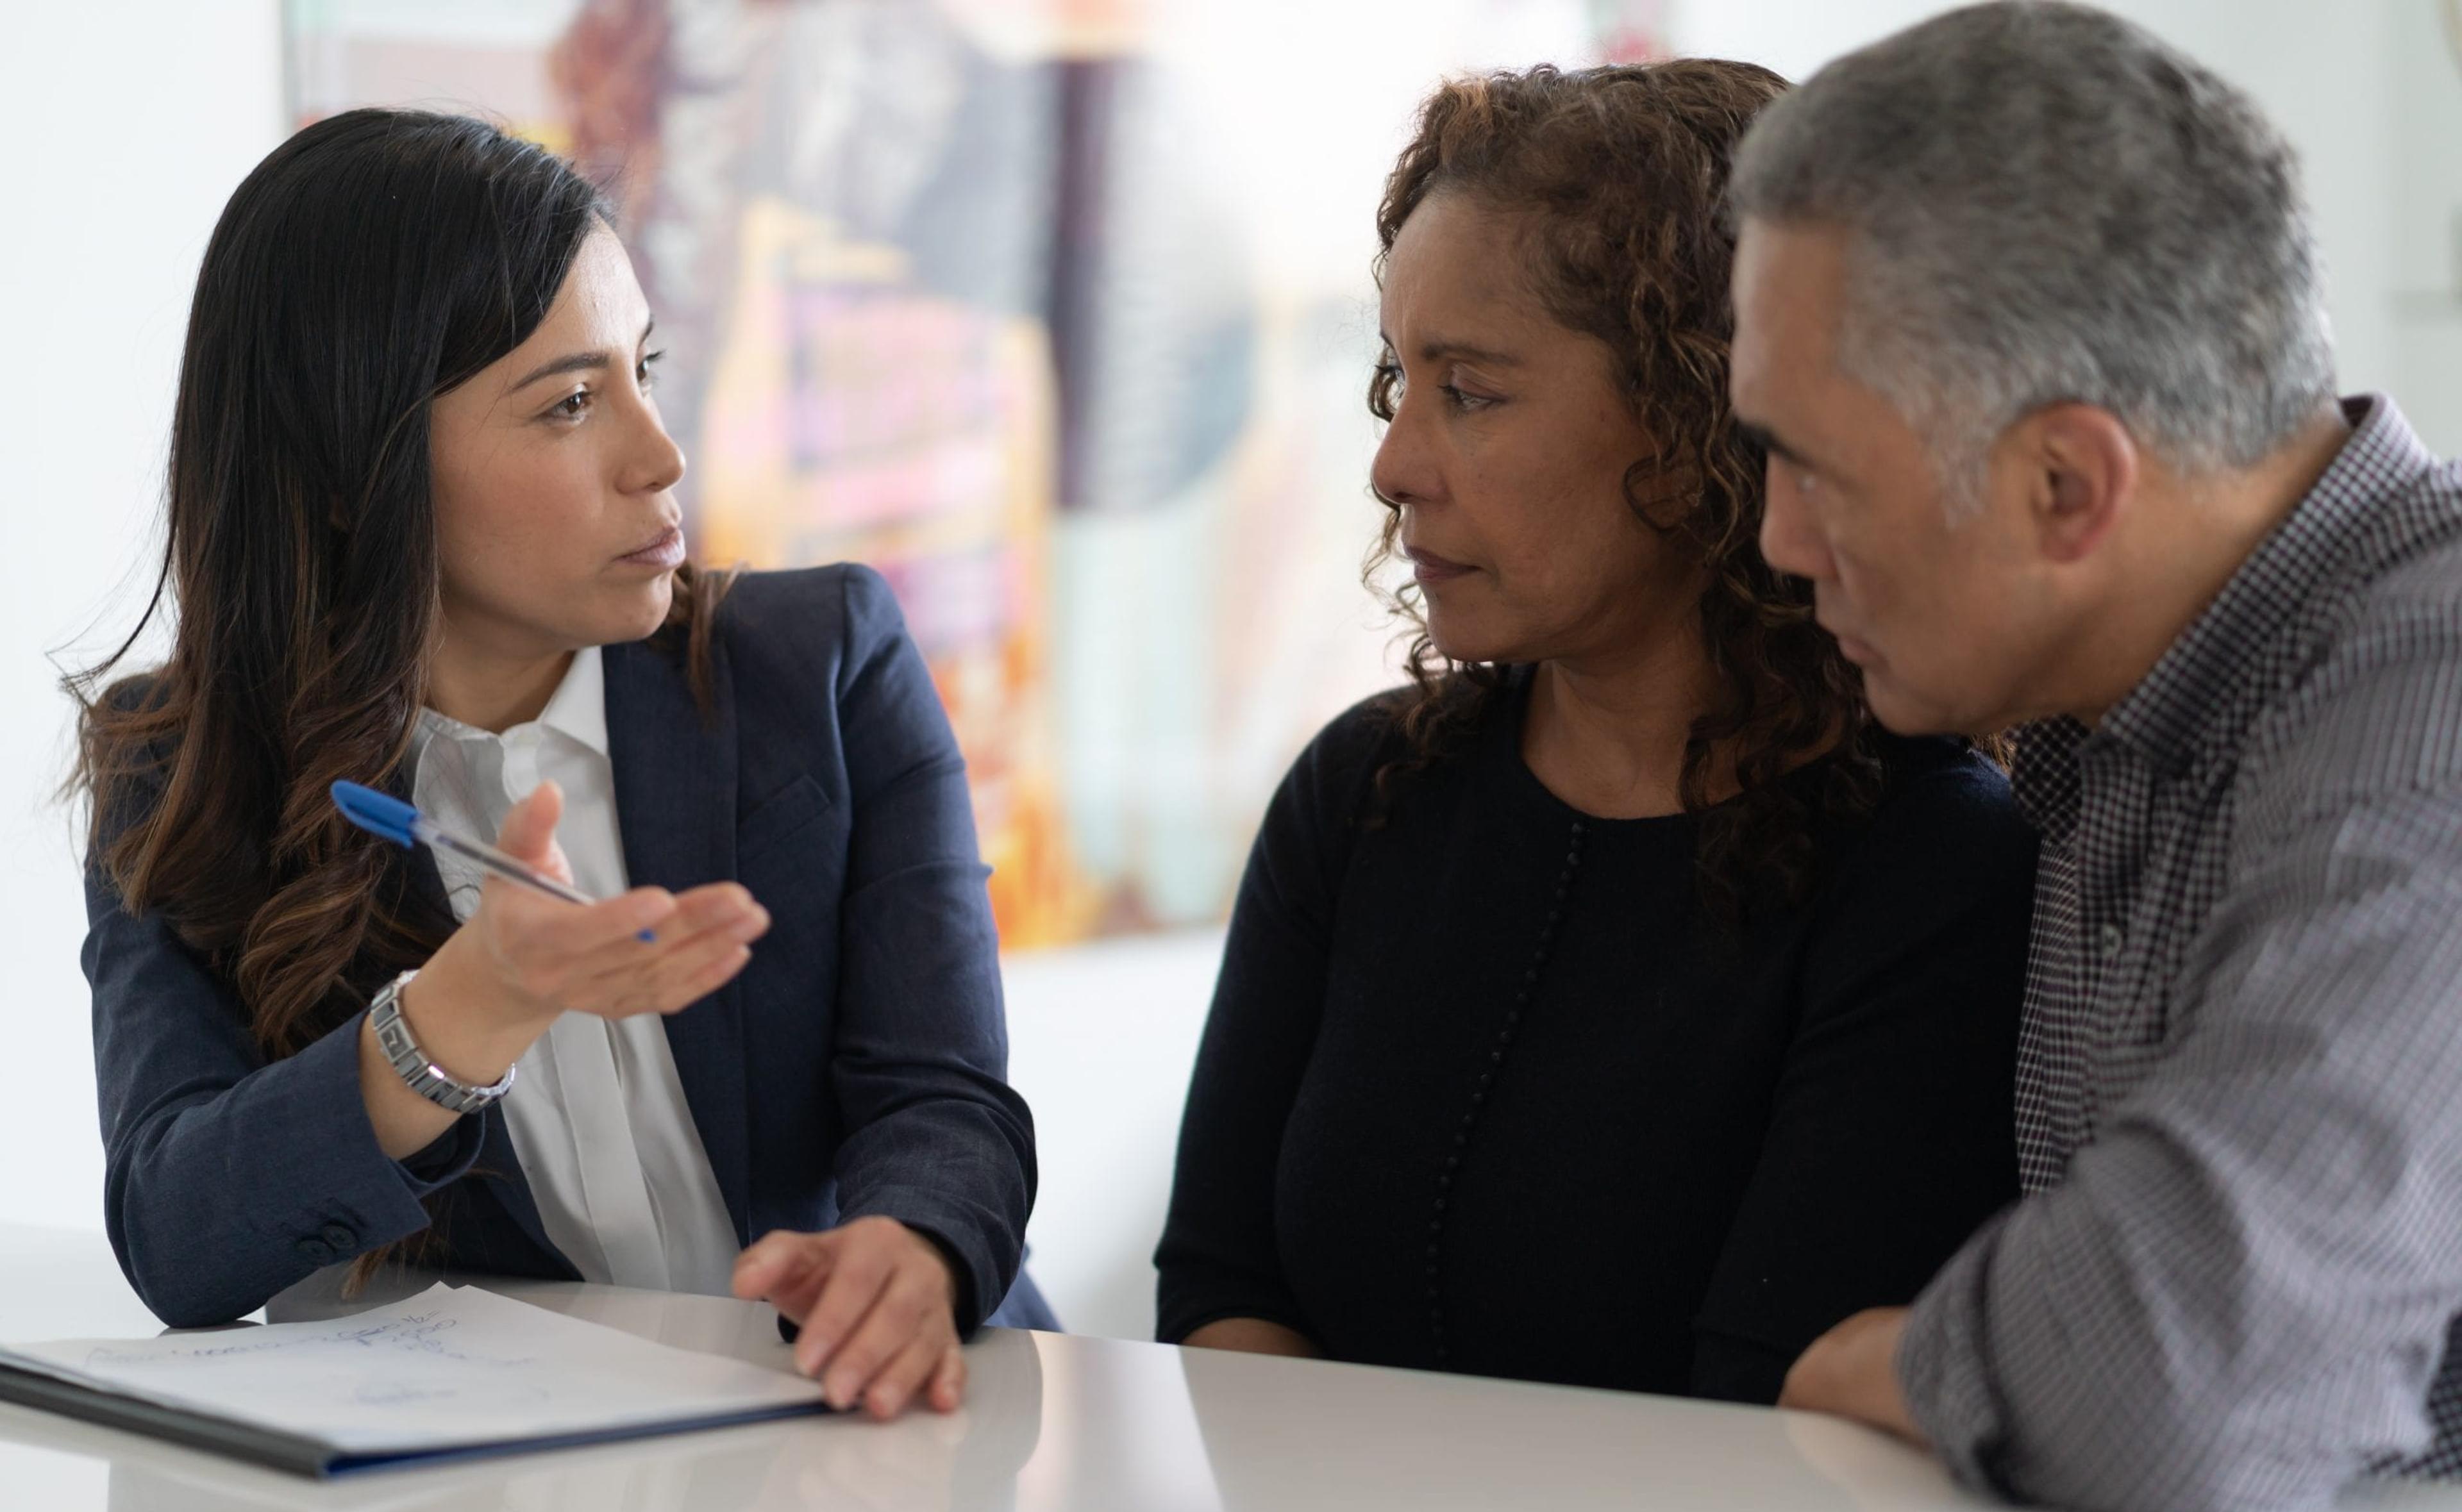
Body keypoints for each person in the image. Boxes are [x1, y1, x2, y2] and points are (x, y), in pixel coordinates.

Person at [73, 109, 1048, 1421]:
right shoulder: (184, 767)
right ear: (353, 473)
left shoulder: (822, 663)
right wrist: (454, 1021)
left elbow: (946, 1104)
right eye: (573, 403)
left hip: (867, 1434)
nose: (661, 455)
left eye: (644, 369)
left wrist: (914, 1249)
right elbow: (178, 1243)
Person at [1152, 61, 2036, 1404]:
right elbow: (1223, 1288)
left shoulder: (1929, 863)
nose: (1392, 463)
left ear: (1703, 421)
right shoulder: (1364, 791)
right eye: (1400, 378)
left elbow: (1769, 1396)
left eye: (1474, 391)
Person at [1727, 1, 2462, 1512]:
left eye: (1814, 469)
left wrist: (1890, 1357)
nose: (1779, 544)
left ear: (2068, 485)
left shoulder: (2428, 705)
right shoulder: (2118, 707)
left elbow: (2185, 1379)